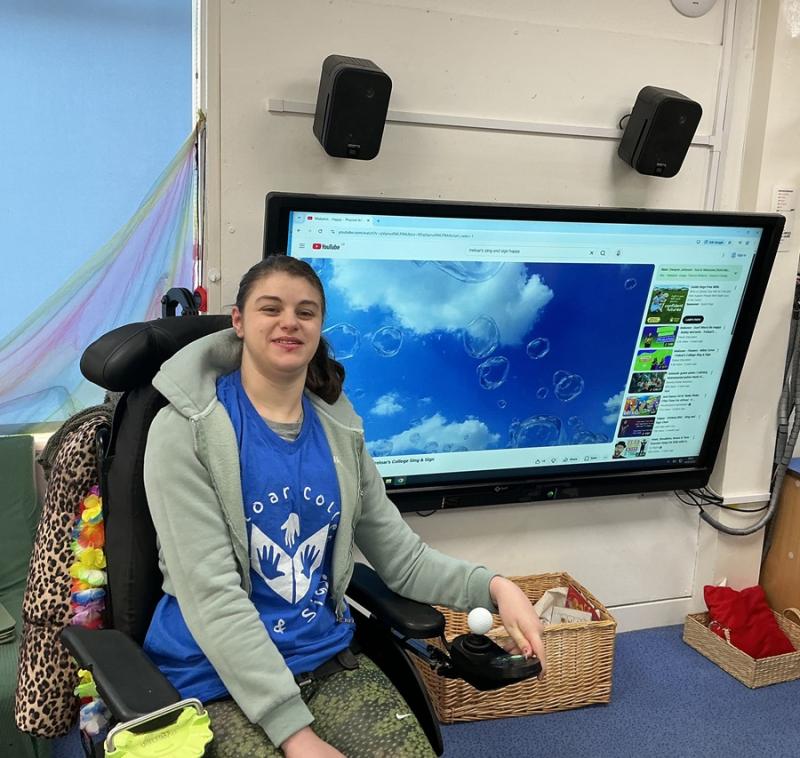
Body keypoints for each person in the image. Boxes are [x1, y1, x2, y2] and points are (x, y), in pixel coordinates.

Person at [142, 256, 547, 758]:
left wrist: (494, 586)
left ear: (318, 329)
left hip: (323, 658)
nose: (290, 321)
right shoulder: (186, 431)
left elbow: (404, 559)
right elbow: (212, 599)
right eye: (271, 308)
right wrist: (295, 733)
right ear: (239, 323)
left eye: (306, 312)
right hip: (211, 675)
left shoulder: (340, 434)